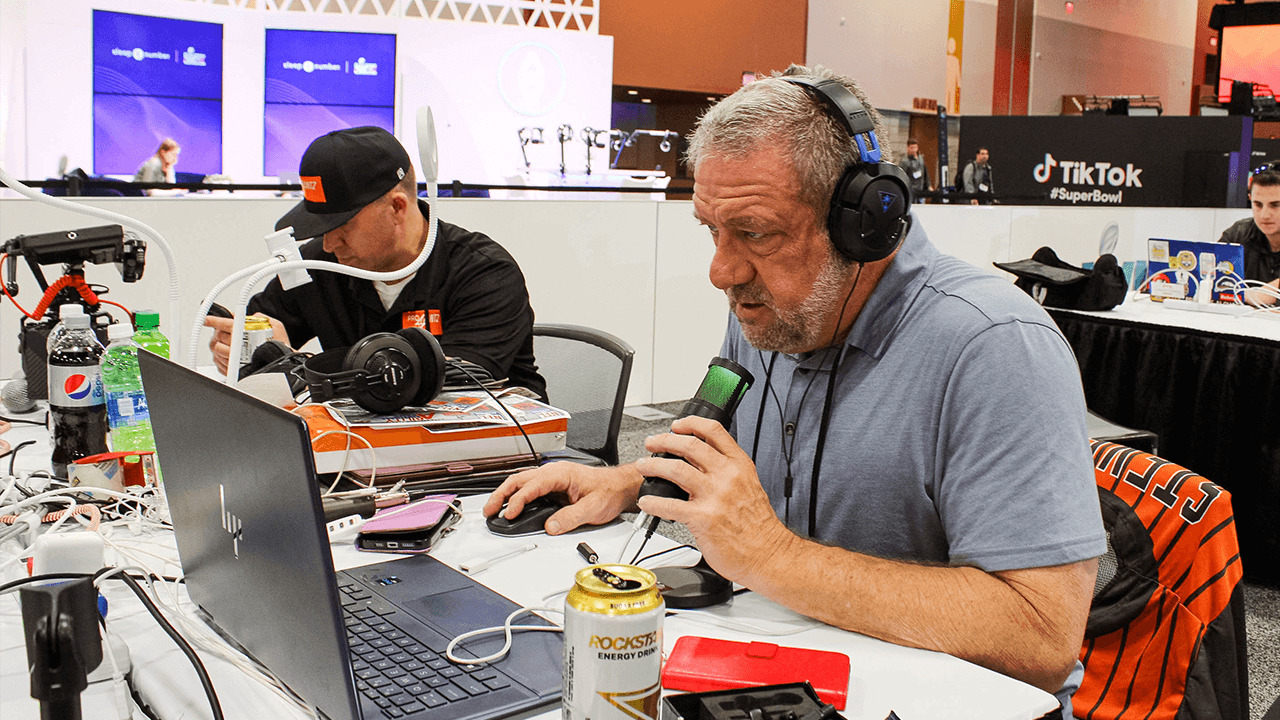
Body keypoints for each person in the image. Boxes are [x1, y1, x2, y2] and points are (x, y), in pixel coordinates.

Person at [485, 65, 1105, 714]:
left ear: (866, 222)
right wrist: (634, 480)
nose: (722, 272)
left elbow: (1041, 636)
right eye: (712, 230)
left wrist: (773, 557)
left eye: (755, 233)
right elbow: (725, 459)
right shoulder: (771, 310)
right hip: (782, 680)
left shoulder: (996, 347)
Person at [204, 126, 547, 401]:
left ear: (397, 207)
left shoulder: (484, 272)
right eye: (319, 228)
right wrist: (241, 348)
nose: (328, 243)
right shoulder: (320, 264)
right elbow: (263, 334)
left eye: (342, 227)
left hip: (494, 463)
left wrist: (299, 366)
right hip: (367, 456)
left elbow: (450, 381)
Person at [1217, 162, 1280, 306]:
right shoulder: (1239, 234)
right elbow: (1210, 278)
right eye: (1258, 204)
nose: (1264, 215)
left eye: (1275, 205)